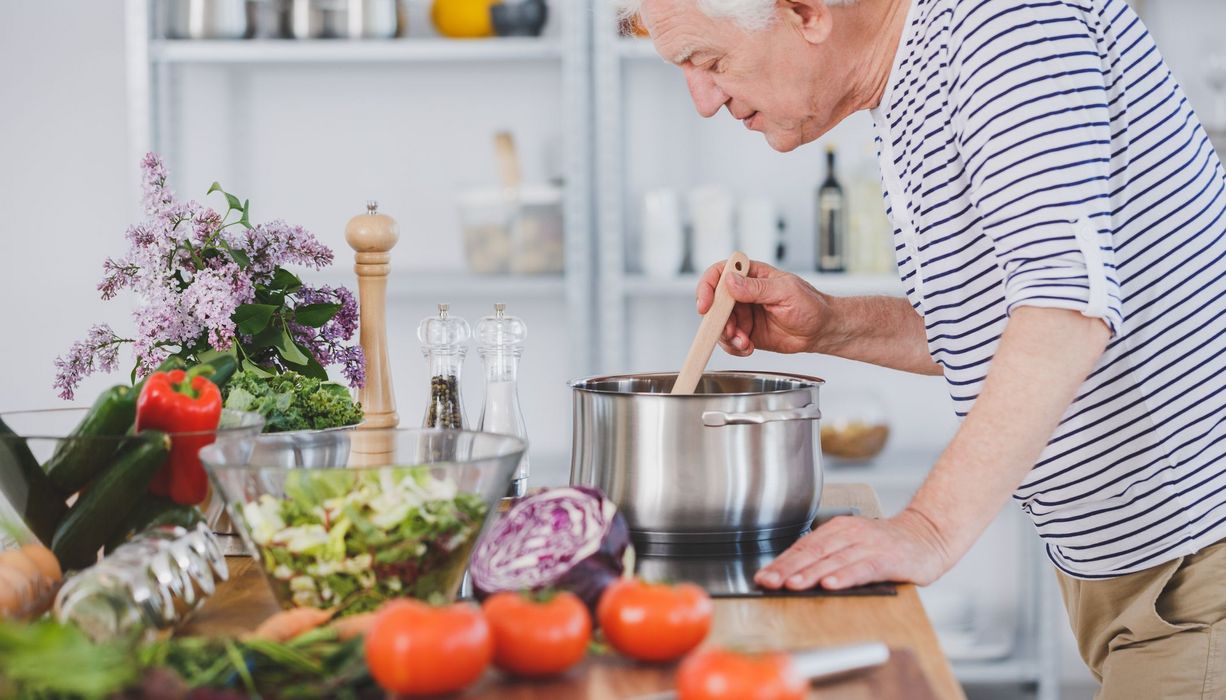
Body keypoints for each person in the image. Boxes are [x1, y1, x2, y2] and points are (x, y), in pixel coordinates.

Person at [627, 0, 1226, 695]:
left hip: (1197, 566)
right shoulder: (912, 78)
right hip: (1140, 570)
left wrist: (929, 528)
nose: (704, 100)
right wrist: (831, 325)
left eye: (710, 61)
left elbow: (1067, 306)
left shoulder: (1005, 24)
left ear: (805, 11)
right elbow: (1011, 318)